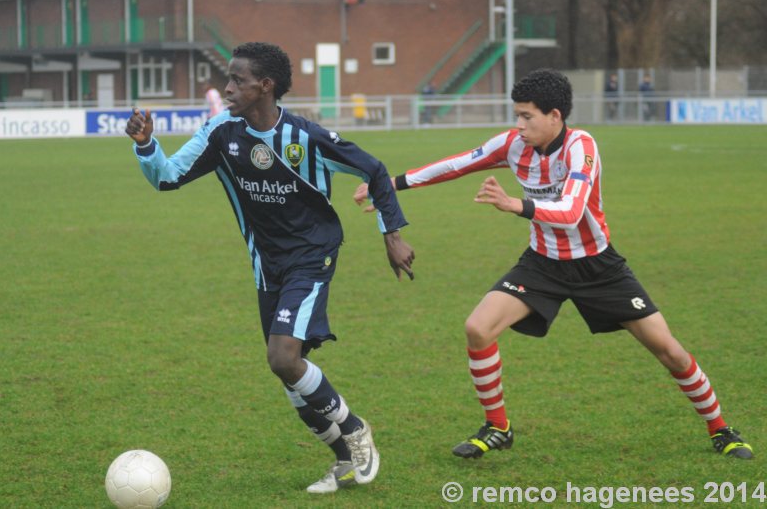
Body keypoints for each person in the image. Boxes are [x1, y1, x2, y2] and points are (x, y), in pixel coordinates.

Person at [353, 68, 752, 460]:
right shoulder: (513, 145)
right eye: (517, 115)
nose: (519, 125)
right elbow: (457, 164)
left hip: (598, 267)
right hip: (542, 264)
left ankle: (721, 430)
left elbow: (572, 211)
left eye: (527, 116)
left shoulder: (582, 147)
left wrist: (516, 205)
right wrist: (387, 185)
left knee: (670, 352)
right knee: (477, 328)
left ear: (555, 116)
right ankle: (498, 428)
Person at [125, 42, 416, 493]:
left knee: (282, 357)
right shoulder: (221, 133)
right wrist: (146, 145)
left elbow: (374, 171)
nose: (227, 88)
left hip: (312, 255)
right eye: (228, 79)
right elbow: (167, 176)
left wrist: (392, 236)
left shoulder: (306, 138)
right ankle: (343, 460)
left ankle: (356, 429)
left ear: (266, 86)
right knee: (287, 371)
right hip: (267, 265)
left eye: (237, 80)